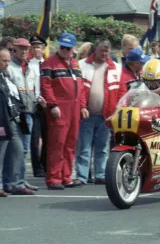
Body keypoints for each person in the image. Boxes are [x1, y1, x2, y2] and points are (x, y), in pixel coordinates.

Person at [40, 32, 89, 190]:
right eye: (62, 47)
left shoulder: (75, 64)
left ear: (73, 49)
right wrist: (52, 105)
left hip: (74, 110)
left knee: (70, 144)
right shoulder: (49, 63)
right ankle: (54, 178)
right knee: (57, 144)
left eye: (68, 48)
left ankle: (66, 176)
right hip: (60, 109)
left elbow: (80, 88)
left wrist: (82, 106)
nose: (65, 50)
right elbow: (46, 86)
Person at [75, 39, 125, 185]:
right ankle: (82, 176)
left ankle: (100, 174)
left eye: (106, 51)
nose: (104, 53)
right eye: (101, 50)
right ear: (95, 50)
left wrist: (117, 111)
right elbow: (80, 90)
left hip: (106, 116)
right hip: (87, 114)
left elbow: (122, 92)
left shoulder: (117, 67)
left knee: (102, 148)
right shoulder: (82, 65)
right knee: (84, 147)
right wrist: (83, 107)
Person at [0, 47, 36, 195]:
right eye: (3, 60)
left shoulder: (5, 76)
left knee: (17, 150)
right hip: (2, 121)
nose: (7, 63)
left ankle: (15, 183)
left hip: (13, 120)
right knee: (1, 154)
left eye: (8, 60)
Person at [7, 38, 41, 184]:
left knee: (24, 149)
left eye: (26, 49)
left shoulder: (31, 68)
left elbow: (34, 89)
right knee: (15, 149)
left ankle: (20, 180)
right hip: (15, 114)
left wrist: (38, 98)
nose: (24, 51)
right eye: (21, 48)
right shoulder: (9, 68)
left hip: (29, 113)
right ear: (14, 49)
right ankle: (13, 181)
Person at [29, 35, 48, 177]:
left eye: (39, 47)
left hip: (47, 106)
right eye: (34, 47)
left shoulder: (48, 64)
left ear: (43, 49)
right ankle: (37, 168)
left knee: (48, 138)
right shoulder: (29, 65)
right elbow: (29, 86)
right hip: (34, 105)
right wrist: (37, 98)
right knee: (35, 138)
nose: (37, 49)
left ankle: (45, 164)